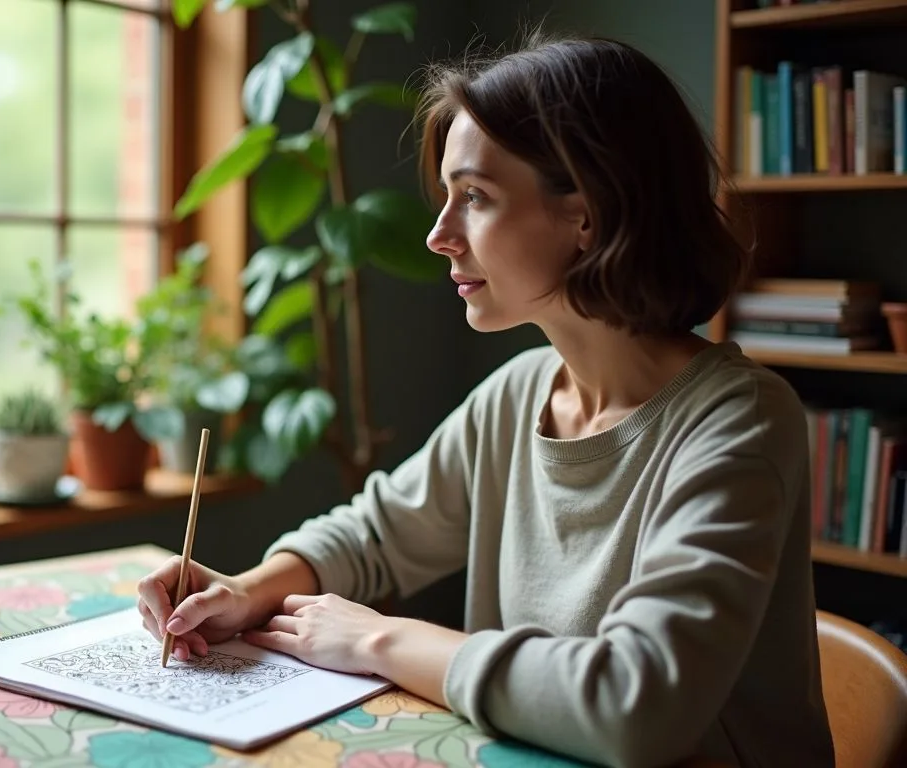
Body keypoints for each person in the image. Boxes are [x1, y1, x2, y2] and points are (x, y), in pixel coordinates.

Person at [136, 28, 835, 768]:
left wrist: (377, 638)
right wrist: (245, 590)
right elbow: (375, 535)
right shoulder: (516, 395)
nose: (439, 235)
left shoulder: (739, 423)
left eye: (475, 196)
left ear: (587, 213)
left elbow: (636, 705)